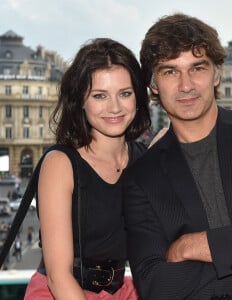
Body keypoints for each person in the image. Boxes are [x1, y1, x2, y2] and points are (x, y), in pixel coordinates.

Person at [123, 13, 232, 300]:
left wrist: (191, 246)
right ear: (153, 85)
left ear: (217, 74)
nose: (186, 85)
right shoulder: (142, 177)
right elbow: (157, 287)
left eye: (197, 68)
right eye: (170, 72)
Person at [24, 38, 151, 299]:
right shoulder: (61, 164)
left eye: (125, 93)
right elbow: (59, 277)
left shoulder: (146, 160)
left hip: (121, 291)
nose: (114, 107)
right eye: (99, 96)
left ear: (138, 97)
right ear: (80, 100)